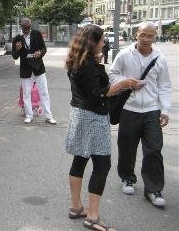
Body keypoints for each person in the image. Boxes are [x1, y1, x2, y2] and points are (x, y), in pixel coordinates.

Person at [65, 24, 140, 231]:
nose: (104, 42)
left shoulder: (77, 61)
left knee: (79, 160)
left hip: (79, 115)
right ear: (93, 42)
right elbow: (97, 95)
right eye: (102, 39)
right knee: (102, 165)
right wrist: (118, 86)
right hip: (93, 117)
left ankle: (76, 207)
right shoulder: (87, 64)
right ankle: (92, 217)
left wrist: (120, 86)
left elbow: (90, 91)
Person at [109, 22, 171, 208]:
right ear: (137, 34)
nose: (146, 39)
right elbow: (113, 74)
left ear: (155, 36)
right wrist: (127, 82)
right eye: (143, 34)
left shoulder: (160, 58)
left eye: (150, 36)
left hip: (152, 110)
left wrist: (165, 109)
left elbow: (165, 85)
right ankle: (128, 178)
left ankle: (153, 189)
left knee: (154, 149)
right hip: (129, 109)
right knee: (127, 147)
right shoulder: (125, 54)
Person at [12, 18, 57, 125]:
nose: (26, 29)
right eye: (24, 28)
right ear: (21, 26)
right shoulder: (17, 38)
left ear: (30, 26)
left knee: (44, 92)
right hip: (25, 69)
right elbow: (14, 56)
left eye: (28, 27)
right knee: (26, 94)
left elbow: (44, 48)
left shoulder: (37, 34)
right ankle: (29, 115)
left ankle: (48, 116)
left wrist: (40, 53)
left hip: (38, 67)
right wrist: (17, 49)